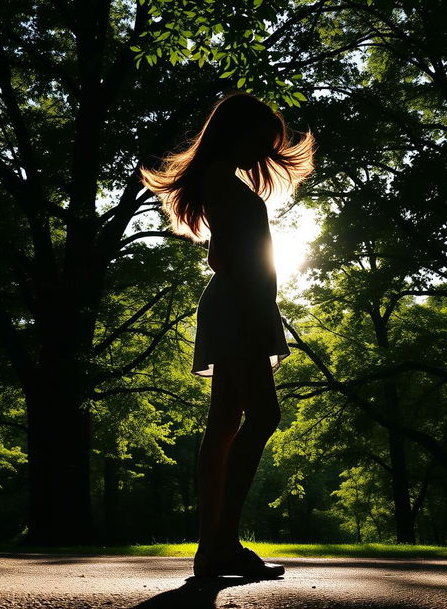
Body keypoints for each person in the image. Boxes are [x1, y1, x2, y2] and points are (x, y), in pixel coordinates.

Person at [140, 91, 314, 578]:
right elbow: (227, 259)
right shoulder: (222, 180)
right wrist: (261, 315)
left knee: (225, 424)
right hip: (239, 308)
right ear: (235, 132)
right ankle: (221, 542)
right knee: (262, 416)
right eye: (260, 140)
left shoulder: (222, 180)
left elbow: (224, 255)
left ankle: (212, 547)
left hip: (238, 306)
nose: (264, 153)